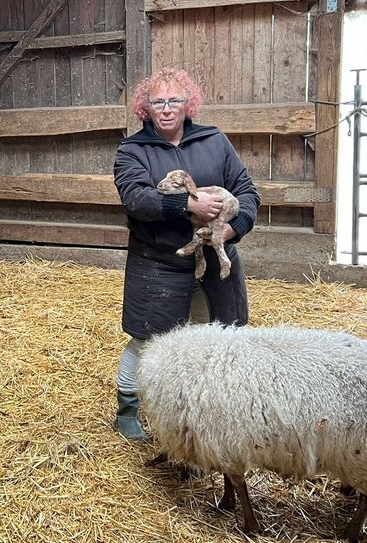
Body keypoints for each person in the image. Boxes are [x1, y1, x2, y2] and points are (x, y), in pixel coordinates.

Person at [112, 68, 261, 440]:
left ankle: (205, 406)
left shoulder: (214, 140)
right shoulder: (132, 150)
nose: (166, 108)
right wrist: (188, 205)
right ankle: (128, 407)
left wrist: (232, 229)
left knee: (215, 335)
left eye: (174, 100)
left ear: (188, 103)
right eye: (157, 101)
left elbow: (247, 191)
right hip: (160, 263)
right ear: (144, 107)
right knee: (148, 339)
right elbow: (137, 199)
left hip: (214, 263)